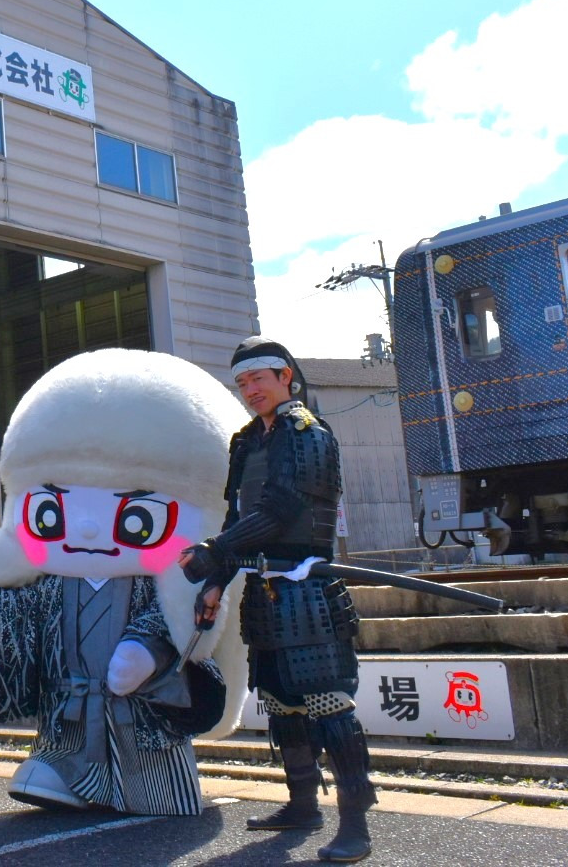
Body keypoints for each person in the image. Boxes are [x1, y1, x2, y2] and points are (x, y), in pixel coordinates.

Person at [0, 349, 250, 816]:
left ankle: (153, 790)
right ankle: (62, 772)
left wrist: (146, 651)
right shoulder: (54, 582)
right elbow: (26, 614)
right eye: (51, 512)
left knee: (150, 771)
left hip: (136, 713)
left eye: (137, 517)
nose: (83, 528)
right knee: (60, 745)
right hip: (70, 711)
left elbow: (166, 621)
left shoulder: (156, 582)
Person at [180, 336, 376, 863]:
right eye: (242, 383)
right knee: (282, 704)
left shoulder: (309, 433)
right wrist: (217, 580)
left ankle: (355, 823)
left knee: (330, 707)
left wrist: (214, 551)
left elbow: (282, 510)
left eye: (258, 379)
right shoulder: (247, 441)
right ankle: (302, 805)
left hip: (308, 590)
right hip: (264, 592)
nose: (250, 390)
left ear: (285, 376)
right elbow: (238, 517)